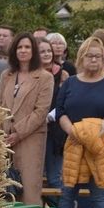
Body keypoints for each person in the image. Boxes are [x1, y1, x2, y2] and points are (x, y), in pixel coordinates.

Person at [56, 36, 104, 208]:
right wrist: (73, 131)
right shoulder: (70, 83)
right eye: (89, 56)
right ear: (81, 58)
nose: (93, 59)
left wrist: (99, 129)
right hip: (74, 142)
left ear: (103, 59)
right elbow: (60, 111)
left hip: (99, 144)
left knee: (100, 195)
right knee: (67, 194)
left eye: (98, 56)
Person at [0, 33, 53, 205]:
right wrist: (0, 132)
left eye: (27, 47)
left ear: (34, 50)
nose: (23, 50)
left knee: (29, 190)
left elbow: (41, 112)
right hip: (4, 140)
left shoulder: (45, 77)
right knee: (5, 191)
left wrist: (18, 133)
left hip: (30, 139)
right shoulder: (6, 75)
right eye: (19, 47)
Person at [38, 38, 69, 189]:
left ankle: (62, 205)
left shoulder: (63, 74)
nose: (46, 54)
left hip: (55, 131)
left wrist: (48, 117)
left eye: (49, 51)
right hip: (33, 130)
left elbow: (65, 102)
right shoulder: (30, 74)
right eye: (42, 51)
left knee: (54, 179)